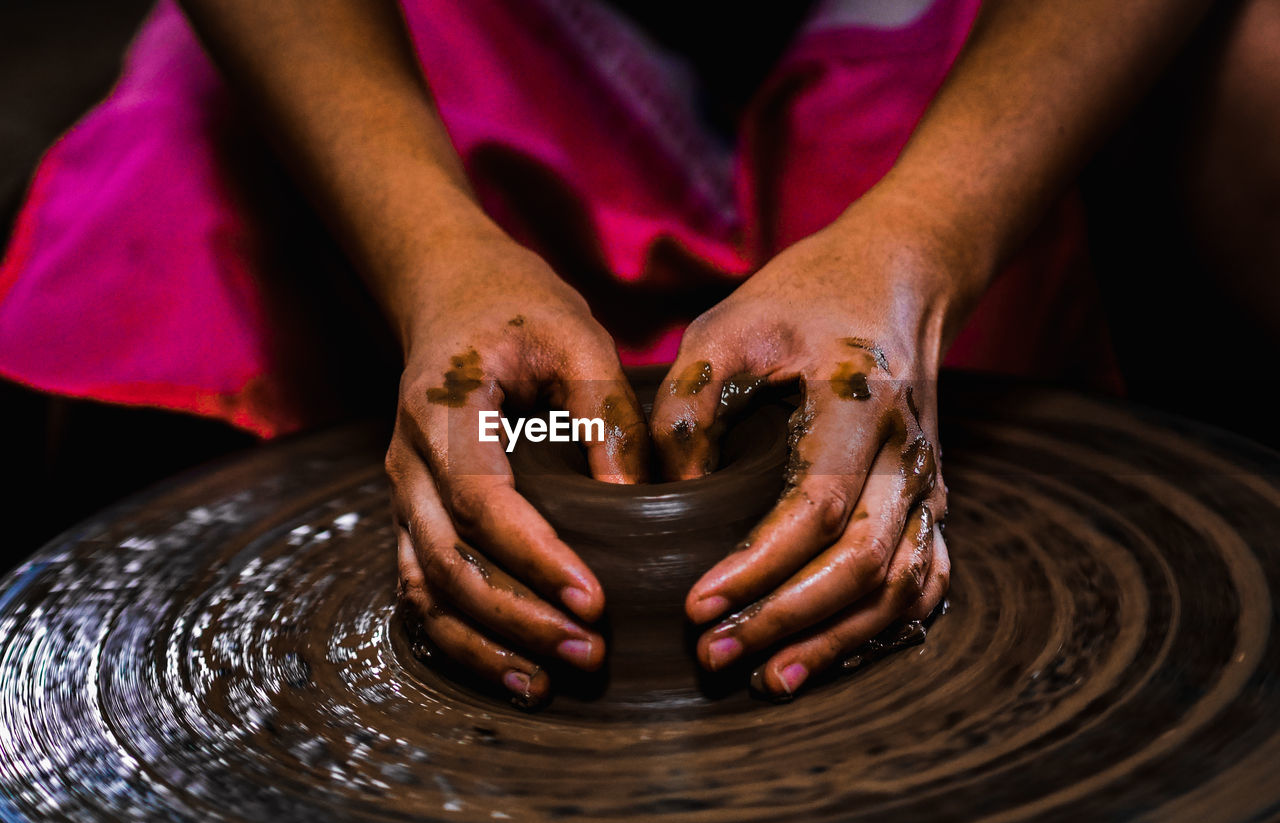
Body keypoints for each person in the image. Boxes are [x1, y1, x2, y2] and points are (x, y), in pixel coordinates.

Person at [3, 0, 1270, 707]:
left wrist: (919, 241)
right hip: (495, 34)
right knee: (166, 189)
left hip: (965, 39)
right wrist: (433, 254)